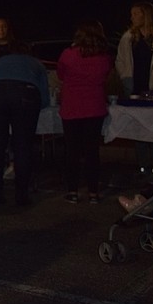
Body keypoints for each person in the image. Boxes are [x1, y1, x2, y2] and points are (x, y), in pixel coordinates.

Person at [0, 41, 50, 205]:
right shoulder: (36, 64)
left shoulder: (0, 62)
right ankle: (21, 194)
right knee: (23, 145)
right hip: (25, 91)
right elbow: (45, 98)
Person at [57, 20, 114, 205]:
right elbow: (105, 77)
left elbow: (60, 75)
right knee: (92, 151)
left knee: (72, 151)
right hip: (94, 107)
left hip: (72, 107)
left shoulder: (68, 55)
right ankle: (93, 192)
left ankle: (72, 190)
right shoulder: (104, 59)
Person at [115, 1, 153, 180]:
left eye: (136, 13)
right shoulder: (128, 37)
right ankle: (143, 167)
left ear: (145, 15)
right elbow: (120, 60)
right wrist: (125, 78)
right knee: (138, 128)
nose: (132, 17)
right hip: (134, 88)